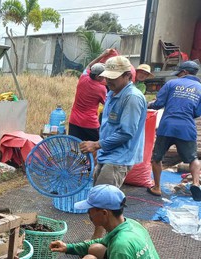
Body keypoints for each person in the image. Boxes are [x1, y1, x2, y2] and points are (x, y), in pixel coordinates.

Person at [79, 56, 147, 239]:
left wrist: (96, 144)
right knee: (98, 198)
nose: (108, 81)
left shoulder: (132, 98)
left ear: (127, 76)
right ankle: (100, 239)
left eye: (113, 78)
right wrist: (100, 148)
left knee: (104, 205)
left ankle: (101, 242)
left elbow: (127, 133)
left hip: (119, 157)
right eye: (107, 77)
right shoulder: (112, 92)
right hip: (106, 153)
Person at [147, 61, 201, 200]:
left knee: (157, 158)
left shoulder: (171, 84)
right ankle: (196, 183)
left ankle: (157, 187)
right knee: (193, 158)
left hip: (167, 126)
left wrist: (149, 104)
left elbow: (158, 104)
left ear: (184, 72)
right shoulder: (200, 88)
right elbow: (197, 112)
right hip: (187, 128)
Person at [68, 49, 111, 142]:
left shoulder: (83, 77)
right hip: (89, 123)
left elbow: (89, 65)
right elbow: (107, 104)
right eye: (104, 76)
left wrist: (103, 55)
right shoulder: (101, 88)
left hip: (74, 120)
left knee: (74, 148)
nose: (105, 78)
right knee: (97, 146)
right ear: (97, 77)